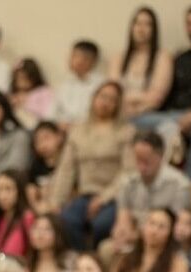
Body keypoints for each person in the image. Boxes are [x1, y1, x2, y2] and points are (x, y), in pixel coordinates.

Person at [134, 5, 191, 180]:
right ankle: (150, 182)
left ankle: (186, 184)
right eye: (189, 22)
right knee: (137, 122)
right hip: (175, 115)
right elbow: (168, 95)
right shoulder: (180, 59)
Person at [50, 81, 135, 250]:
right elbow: (66, 170)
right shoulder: (78, 131)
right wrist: (56, 201)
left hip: (114, 196)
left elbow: (129, 171)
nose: (106, 102)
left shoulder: (126, 131)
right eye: (103, 96)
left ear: (117, 105)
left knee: (101, 224)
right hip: (84, 194)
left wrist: (104, 197)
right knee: (67, 220)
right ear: (94, 98)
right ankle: (83, 260)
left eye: (112, 99)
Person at [113, 131, 191, 246]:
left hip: (167, 243)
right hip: (135, 241)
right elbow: (123, 222)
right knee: (107, 248)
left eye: (146, 161)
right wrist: (122, 234)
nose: (141, 167)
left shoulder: (180, 185)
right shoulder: (128, 182)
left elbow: (180, 227)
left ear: (160, 156)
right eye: (138, 160)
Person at [108, 6, 174, 120]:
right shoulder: (118, 58)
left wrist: (134, 108)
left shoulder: (163, 57)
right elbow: (113, 94)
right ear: (131, 27)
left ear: (154, 30)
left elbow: (156, 98)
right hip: (119, 115)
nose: (141, 28)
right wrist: (142, 97)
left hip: (149, 115)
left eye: (147, 24)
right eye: (137, 23)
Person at [111, 207, 190, 272]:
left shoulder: (177, 264)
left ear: (170, 233)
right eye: (151, 223)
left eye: (161, 227)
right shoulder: (126, 257)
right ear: (143, 226)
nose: (154, 231)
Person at [52, 40, 104, 126]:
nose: (70, 59)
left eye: (74, 56)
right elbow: (53, 110)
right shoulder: (65, 83)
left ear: (89, 60)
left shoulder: (101, 85)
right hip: (61, 128)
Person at [0, 169, 35, 258]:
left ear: (20, 190)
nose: (2, 196)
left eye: (8, 189)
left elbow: (10, 254)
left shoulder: (28, 217)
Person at [26, 120, 66, 214]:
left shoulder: (67, 163)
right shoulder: (36, 165)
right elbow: (31, 190)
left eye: (47, 138)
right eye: (38, 141)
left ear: (59, 137)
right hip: (41, 207)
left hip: (62, 206)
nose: (43, 144)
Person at [9, 57, 55, 129]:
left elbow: (47, 115)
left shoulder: (44, 92)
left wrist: (24, 104)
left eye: (24, 77)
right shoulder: (11, 94)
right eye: (18, 77)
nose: (21, 81)